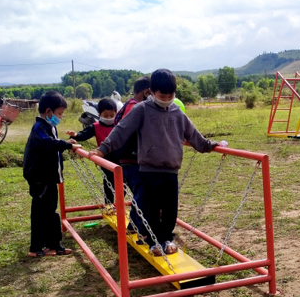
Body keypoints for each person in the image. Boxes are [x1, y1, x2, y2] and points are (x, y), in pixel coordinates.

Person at [89, 69, 226, 256]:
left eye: (171, 95)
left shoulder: (177, 112)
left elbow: (193, 135)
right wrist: (102, 149)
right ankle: (153, 241)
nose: (167, 98)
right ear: (151, 91)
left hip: (171, 169)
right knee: (151, 208)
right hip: (148, 169)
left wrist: (212, 145)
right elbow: (121, 131)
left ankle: (166, 239)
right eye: (163, 95)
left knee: (170, 209)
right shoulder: (141, 110)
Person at [23, 91, 81, 258]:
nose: (60, 117)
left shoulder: (50, 127)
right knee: (41, 213)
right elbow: (47, 143)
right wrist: (67, 145)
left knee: (51, 211)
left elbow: (53, 146)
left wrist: (67, 144)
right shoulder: (39, 128)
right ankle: (36, 247)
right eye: (59, 114)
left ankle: (54, 244)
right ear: (49, 112)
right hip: (40, 179)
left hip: (49, 178)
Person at [112, 76, 152, 235]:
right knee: (142, 192)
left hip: (129, 156)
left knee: (140, 192)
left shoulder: (127, 105)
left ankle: (135, 225)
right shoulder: (135, 107)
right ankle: (138, 227)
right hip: (132, 157)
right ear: (147, 92)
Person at [66, 98, 118, 204]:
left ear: (116, 114)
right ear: (99, 115)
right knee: (108, 181)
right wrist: (75, 135)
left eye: (112, 116)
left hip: (120, 157)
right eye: (106, 115)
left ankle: (119, 204)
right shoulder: (96, 126)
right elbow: (84, 134)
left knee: (123, 182)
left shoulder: (119, 125)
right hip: (105, 158)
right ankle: (109, 205)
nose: (109, 118)